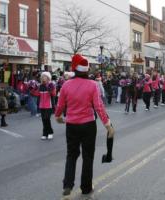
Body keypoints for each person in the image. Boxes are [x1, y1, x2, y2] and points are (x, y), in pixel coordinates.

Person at [55, 54, 114, 199]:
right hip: (88, 125)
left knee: (71, 154)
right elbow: (99, 107)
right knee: (88, 157)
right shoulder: (93, 85)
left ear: (74, 69)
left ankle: (68, 184)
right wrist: (107, 124)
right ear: (87, 70)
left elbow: (60, 104)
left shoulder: (66, 85)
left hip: (72, 125)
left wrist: (58, 116)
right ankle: (86, 187)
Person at [32, 72, 56, 140]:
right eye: (42, 77)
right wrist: (32, 89)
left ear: (48, 78)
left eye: (45, 77)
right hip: (42, 105)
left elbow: (54, 94)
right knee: (43, 120)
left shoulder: (51, 85)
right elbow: (37, 94)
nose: (43, 78)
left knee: (47, 119)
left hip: (49, 105)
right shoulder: (40, 86)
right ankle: (45, 133)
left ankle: (50, 132)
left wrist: (49, 89)